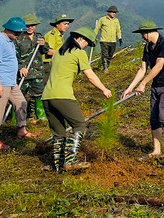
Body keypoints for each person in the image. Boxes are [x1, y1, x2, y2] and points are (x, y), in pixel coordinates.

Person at [42, 27, 112, 172]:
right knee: (80, 125)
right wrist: (104, 89)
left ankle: (58, 166)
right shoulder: (79, 53)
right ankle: (70, 161)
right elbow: (90, 76)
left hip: (47, 96)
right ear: (80, 39)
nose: (87, 46)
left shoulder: (58, 53)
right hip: (63, 96)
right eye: (87, 43)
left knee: (59, 132)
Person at [122, 20, 164, 162]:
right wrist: (130, 88)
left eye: (143, 33)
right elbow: (143, 69)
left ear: (151, 32)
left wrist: (143, 84)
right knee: (154, 118)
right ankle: (156, 150)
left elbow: (158, 66)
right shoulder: (148, 48)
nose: (142, 36)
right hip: (157, 85)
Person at [0, 17, 38, 150]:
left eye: (20, 33)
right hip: (1, 82)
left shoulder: (9, 40)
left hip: (10, 81)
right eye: (17, 33)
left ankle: (22, 130)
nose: (18, 35)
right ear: (8, 29)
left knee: (21, 102)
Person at [15, 14, 51, 123]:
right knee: (20, 96)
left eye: (33, 25)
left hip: (37, 72)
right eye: (28, 25)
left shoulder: (39, 37)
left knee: (38, 94)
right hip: (24, 73)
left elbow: (46, 51)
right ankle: (19, 117)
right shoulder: (18, 39)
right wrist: (21, 67)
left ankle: (38, 115)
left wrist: (44, 44)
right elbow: (14, 56)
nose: (30, 27)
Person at [43, 14, 75, 82]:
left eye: (68, 24)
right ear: (57, 24)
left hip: (54, 63)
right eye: (64, 24)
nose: (66, 26)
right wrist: (65, 54)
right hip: (47, 65)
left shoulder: (60, 35)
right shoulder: (52, 35)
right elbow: (49, 51)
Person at [94, 5, 122, 73]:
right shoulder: (102, 19)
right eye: (112, 12)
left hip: (113, 41)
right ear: (109, 12)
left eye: (115, 12)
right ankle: (105, 67)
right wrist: (93, 37)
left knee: (110, 55)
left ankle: (107, 66)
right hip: (104, 40)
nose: (114, 14)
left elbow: (118, 30)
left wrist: (120, 38)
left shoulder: (116, 20)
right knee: (105, 54)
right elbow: (97, 29)